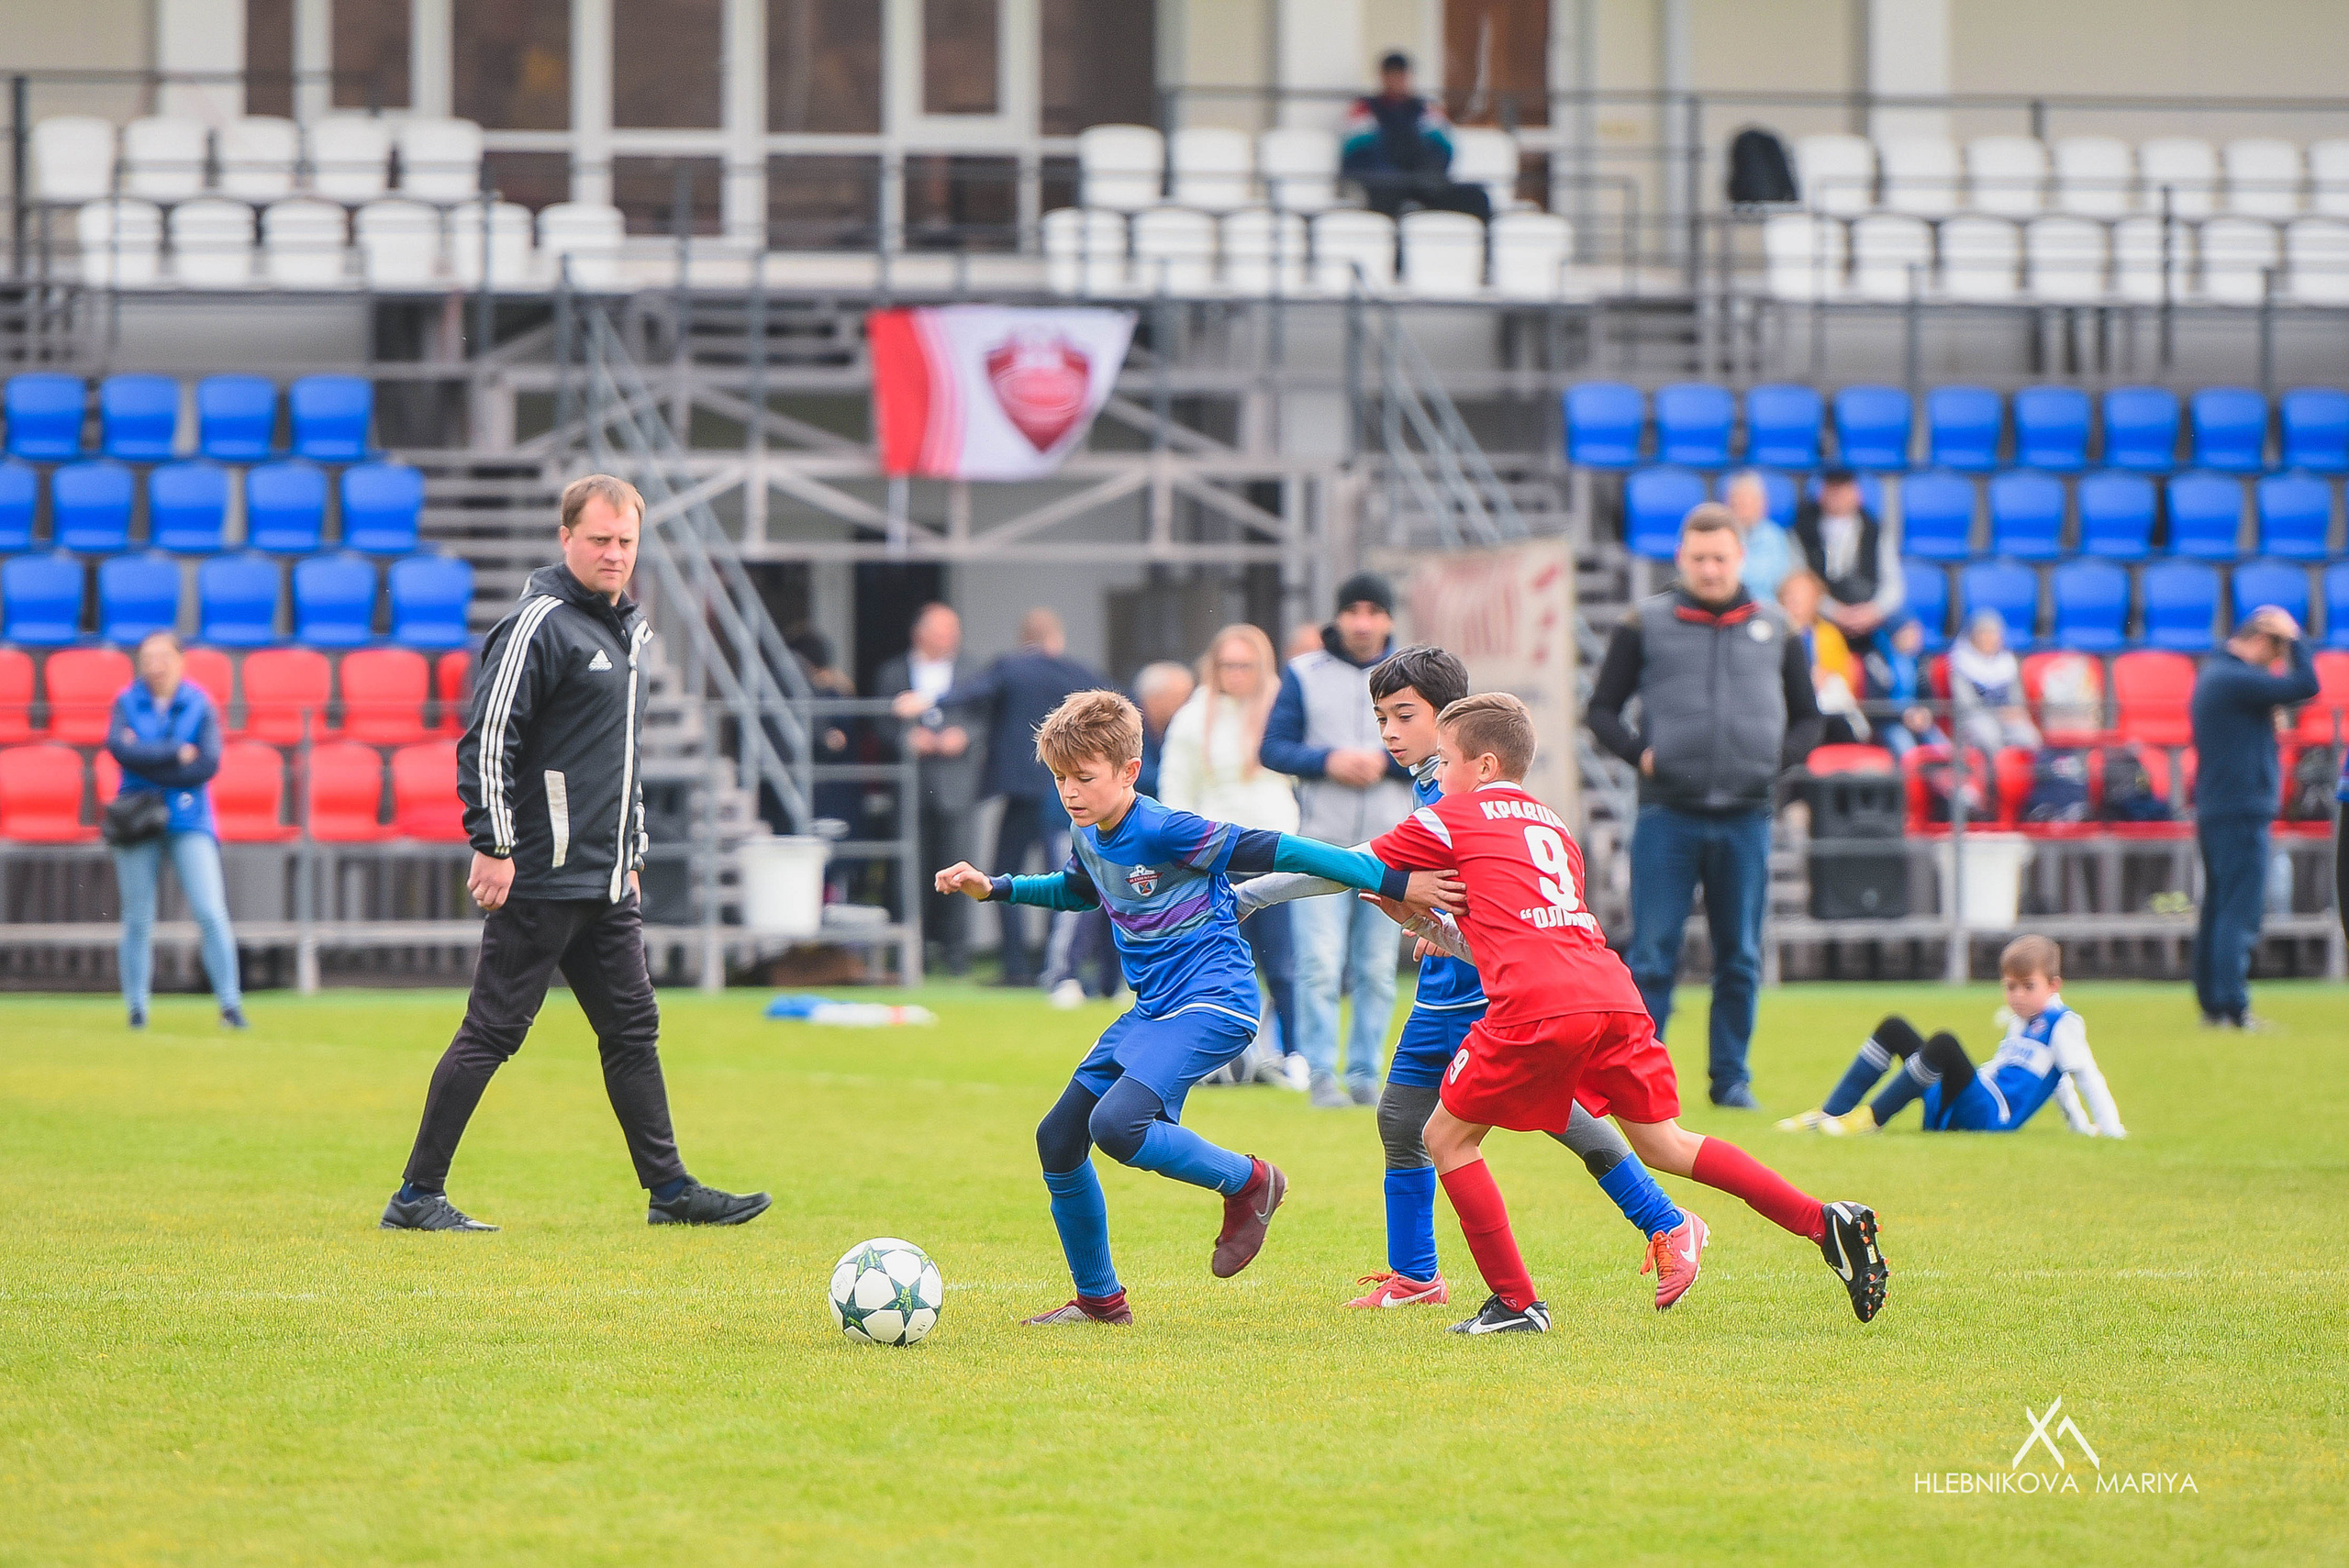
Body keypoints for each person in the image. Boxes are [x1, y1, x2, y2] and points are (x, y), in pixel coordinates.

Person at [928, 690, 1459, 1327]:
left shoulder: (1165, 828)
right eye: (1061, 777)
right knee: (1059, 1137)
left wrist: (1393, 881)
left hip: (1215, 1000)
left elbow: (1284, 849)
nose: (1070, 791)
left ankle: (1251, 1181)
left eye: (1084, 777)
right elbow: (1077, 890)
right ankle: (1100, 1301)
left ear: (1128, 772)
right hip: (1156, 1010)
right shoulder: (1087, 828)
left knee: (1118, 1126)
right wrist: (997, 887)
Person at [1365, 693, 1889, 1333]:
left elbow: (1347, 863)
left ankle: (1515, 1301)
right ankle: (1821, 1220)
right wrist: (1431, 923)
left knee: (1445, 1137)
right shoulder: (1553, 826)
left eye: (1444, 759)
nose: (1437, 773)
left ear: (1481, 764)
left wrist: (1243, 870)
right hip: (1609, 988)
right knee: (1666, 1142)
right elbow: (1521, 934)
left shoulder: (1458, 813)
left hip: (1537, 1003)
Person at [1239, 648, 1696, 1311]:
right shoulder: (1431, 786)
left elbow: (1361, 865)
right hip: (1445, 990)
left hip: (1497, 996)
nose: (1389, 732)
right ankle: (1417, 1276)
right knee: (1400, 1118)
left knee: (1562, 1116)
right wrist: (1435, 923)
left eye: (1404, 715)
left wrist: (1247, 895)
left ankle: (1665, 1222)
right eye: (1380, 718)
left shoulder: (1460, 793)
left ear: (1450, 722)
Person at [383, 475, 769, 1233]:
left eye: (626, 541)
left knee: (633, 1030)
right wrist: (493, 845)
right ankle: (416, 1194)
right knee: (493, 1031)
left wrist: (632, 849)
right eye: (599, 540)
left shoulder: (626, 630)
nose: (614, 554)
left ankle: (669, 1190)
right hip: (540, 873)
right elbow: (489, 743)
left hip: (605, 880)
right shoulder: (540, 624)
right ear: (566, 538)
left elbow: (617, 758)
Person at [1586, 506, 1822, 1109]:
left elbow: (1809, 718)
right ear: (1681, 559)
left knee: (1740, 956)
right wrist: (1642, 756)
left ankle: (1731, 1080)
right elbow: (1601, 712)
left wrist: (1773, 762)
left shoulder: (1778, 626)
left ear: (1741, 558)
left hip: (1747, 815)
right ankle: (1638, 1080)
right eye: (1699, 558)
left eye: (1721, 557)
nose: (1711, 569)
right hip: (1668, 814)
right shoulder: (1646, 621)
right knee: (1652, 953)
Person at [1261, 573, 1417, 1107]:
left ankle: (1367, 1074)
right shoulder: (1304, 673)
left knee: (1376, 967)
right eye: (1354, 611)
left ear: (1389, 619)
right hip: (1321, 843)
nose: (1364, 622)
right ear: (1338, 617)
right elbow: (1274, 749)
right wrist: (1328, 761)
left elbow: (1439, 749)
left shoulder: (1412, 674)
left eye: (1375, 612)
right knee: (1319, 964)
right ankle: (1321, 1071)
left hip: (1390, 846)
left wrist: (1384, 763)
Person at [894, 607, 1101, 988]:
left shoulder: (1012, 666)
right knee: (1067, 873)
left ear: (1024, 641)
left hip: (1022, 790)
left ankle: (1016, 965)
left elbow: (974, 691)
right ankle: (1059, 966)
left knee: (1006, 869)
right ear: (1056, 639)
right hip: (1065, 791)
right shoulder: (1079, 672)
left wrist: (929, 701)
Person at [1784, 936, 2123, 1137]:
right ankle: (1829, 1114)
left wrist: (2110, 1130)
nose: (2017, 995)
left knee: (1944, 1044)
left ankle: (1871, 1119)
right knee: (1894, 1028)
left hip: (1990, 1114)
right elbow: (2055, 1082)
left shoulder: (2062, 1023)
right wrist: (2078, 1126)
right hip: (1972, 1099)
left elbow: (2083, 1075)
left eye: (2028, 986)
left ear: (2054, 985)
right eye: (2010, 986)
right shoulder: (2023, 1021)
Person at [1159, 625, 1304, 1086]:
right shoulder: (1194, 715)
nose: (1236, 674)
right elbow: (1175, 789)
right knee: (1214, 960)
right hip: (1216, 854)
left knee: (1281, 961)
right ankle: (1214, 1060)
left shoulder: (1282, 706)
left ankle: (1292, 1054)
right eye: (1227, 665)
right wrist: (1177, 851)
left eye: (1245, 665)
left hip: (1276, 850)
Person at [106, 630, 245, 1031]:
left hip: (189, 818)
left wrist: (147, 758)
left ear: (181, 661)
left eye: (163, 656)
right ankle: (136, 1008)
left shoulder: (199, 703)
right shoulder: (126, 702)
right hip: (136, 817)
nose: (155, 665)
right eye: (147, 657)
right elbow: (120, 749)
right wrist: (174, 753)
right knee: (137, 916)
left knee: (210, 911)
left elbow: (208, 764)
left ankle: (230, 1004)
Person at [2188, 606, 2320, 1029]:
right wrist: (2295, 636)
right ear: (2262, 641)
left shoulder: (2216, 675)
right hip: (2240, 809)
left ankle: (2213, 1002)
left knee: (2218, 906)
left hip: (2219, 807)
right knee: (2238, 910)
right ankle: (2232, 1006)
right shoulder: (2235, 678)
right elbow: (2306, 685)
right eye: (2275, 652)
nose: (2275, 664)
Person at [876, 603, 987, 977]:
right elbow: (880, 724)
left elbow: (983, 719)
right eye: (942, 632)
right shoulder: (893, 672)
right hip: (912, 785)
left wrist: (964, 737)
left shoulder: (971, 670)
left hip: (956, 785)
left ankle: (956, 954)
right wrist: (910, 740)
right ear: (920, 634)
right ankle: (912, 952)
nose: (950, 639)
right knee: (909, 870)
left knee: (959, 867)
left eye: (953, 631)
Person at [1339, 52, 1492, 223]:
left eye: (1401, 74)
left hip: (1423, 184)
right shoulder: (1364, 110)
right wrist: (1393, 175)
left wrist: (1425, 176)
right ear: (1382, 77)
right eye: (1392, 74)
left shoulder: (1427, 110)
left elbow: (1443, 151)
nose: (1397, 80)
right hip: (1384, 186)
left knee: (1476, 198)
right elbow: (1356, 155)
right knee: (1387, 198)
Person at [1791, 469, 1904, 652]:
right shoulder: (1803, 530)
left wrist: (1873, 611)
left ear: (1857, 494)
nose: (1838, 496)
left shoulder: (1874, 530)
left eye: (1844, 489)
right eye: (1832, 489)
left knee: (1907, 632)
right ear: (1821, 494)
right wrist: (1834, 611)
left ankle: (1900, 678)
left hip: (1870, 606)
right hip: (1823, 609)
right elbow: (1799, 581)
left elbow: (1893, 583)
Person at [1778, 569, 1867, 745]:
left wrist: (1826, 676)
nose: (1795, 602)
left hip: (1826, 706)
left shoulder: (1829, 635)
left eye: (1802, 596)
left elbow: (1844, 678)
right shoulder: (1775, 635)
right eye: (1790, 595)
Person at [1948, 609, 2041, 753]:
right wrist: (1997, 713)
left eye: (1993, 633)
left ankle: (2023, 774)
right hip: (1975, 717)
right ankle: (1992, 774)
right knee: (1988, 736)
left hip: (2006, 715)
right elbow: (1966, 703)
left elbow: (2016, 696)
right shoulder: (1961, 663)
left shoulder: (2007, 662)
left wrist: (2015, 710)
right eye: (1983, 633)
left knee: (2028, 736)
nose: (1988, 638)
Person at [1726, 471, 1794, 601]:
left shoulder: (1776, 536)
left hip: (1769, 609)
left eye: (1747, 500)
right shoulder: (1722, 536)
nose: (1741, 505)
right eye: (1737, 500)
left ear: (1762, 503)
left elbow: (1785, 579)